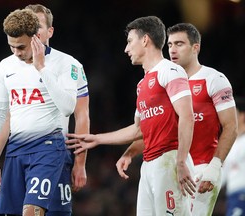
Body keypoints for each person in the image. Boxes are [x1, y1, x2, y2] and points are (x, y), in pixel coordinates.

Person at [66, 16, 196, 216]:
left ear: (145, 40)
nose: (126, 49)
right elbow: (139, 129)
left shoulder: (171, 71)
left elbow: (187, 116)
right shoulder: (142, 85)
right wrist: (102, 141)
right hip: (149, 164)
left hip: (170, 160)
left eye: (129, 41)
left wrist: (180, 162)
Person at [0, 4, 89, 215]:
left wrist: (41, 68)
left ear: (36, 36)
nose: (16, 53)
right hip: (16, 150)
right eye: (12, 47)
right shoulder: (6, 66)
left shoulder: (67, 64)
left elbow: (70, 109)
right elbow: (0, 114)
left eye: (21, 47)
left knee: (33, 212)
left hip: (50, 148)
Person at [115, 23, 238, 216]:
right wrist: (130, 152)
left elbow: (231, 126)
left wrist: (215, 166)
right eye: (170, 44)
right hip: (170, 169)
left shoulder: (214, 79)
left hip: (201, 170)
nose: (172, 49)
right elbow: (153, 128)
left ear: (195, 47)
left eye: (179, 44)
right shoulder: (164, 81)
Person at [222, 96, 245, 216]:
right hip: (232, 196)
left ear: (242, 116)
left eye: (234, 113)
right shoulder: (232, 144)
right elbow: (223, 174)